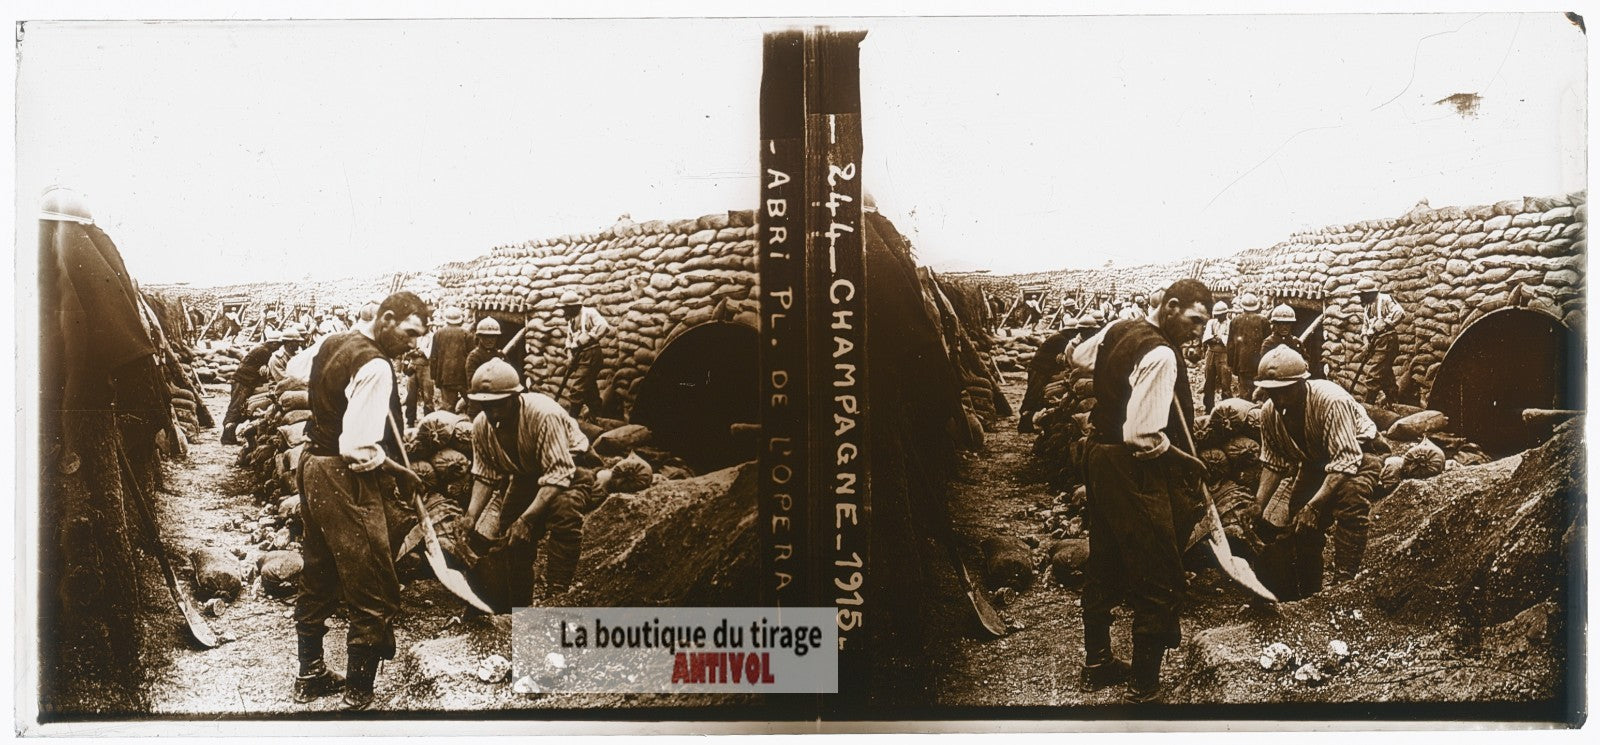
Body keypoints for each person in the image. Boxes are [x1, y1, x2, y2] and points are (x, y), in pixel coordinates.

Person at [1069, 278, 1212, 702]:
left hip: (1098, 456)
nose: (1198, 331)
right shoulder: (1162, 353)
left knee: (1106, 555)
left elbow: (1078, 357)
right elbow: (1143, 436)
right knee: (1160, 573)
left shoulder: (1122, 327)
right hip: (1131, 467)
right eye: (1194, 319)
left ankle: (1097, 664)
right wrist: (1185, 460)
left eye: (1204, 324)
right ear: (1170, 306)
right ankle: (1144, 689)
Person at [293, 291, 429, 711]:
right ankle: (358, 696)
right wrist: (400, 471)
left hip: (311, 465)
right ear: (387, 319)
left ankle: (310, 673)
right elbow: (357, 447)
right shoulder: (375, 365)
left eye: (419, 337)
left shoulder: (337, 341)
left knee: (318, 568)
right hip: (342, 476)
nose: (412, 345)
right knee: (372, 579)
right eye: (409, 333)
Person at [460, 359, 603, 606]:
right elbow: (485, 475)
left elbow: (559, 473)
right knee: (510, 530)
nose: (493, 413)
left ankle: (556, 596)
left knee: (564, 512)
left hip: (573, 466)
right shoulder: (481, 426)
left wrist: (528, 520)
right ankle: (516, 602)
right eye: (486, 406)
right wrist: (470, 517)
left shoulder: (543, 414)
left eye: (499, 405)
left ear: (516, 397)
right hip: (529, 474)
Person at [1251, 346, 1382, 599]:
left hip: (1361, 451)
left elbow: (1346, 458)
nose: (1278, 400)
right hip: (1317, 461)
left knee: (1351, 498)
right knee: (1299, 515)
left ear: (1302, 383)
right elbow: (1274, 462)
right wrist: (1257, 505)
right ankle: (1309, 592)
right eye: (1272, 392)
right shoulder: (1269, 413)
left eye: (1284, 392)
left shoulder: (1331, 400)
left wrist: (1316, 505)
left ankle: (1344, 584)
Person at [221, 330, 282, 444]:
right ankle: (227, 437)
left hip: (246, 381)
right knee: (235, 408)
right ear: (273, 343)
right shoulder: (264, 351)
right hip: (242, 382)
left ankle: (229, 436)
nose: (279, 347)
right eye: (278, 344)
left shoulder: (261, 348)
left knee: (240, 408)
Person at [559, 291, 613, 419]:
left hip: (591, 354)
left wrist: (590, 336)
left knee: (577, 389)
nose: (564, 312)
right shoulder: (571, 320)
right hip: (579, 356)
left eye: (566, 308)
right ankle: (598, 417)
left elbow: (604, 326)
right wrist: (569, 355)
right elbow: (569, 339)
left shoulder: (589, 313)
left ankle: (571, 420)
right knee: (589, 391)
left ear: (574, 307)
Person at [1019, 320, 1077, 433]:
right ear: (1070, 331)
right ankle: (1024, 423)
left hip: (1043, 369)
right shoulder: (1062, 340)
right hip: (1039, 370)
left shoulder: (1060, 337)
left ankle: (1027, 422)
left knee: (1037, 395)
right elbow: (1062, 359)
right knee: (1033, 396)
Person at [1356, 275, 1405, 405]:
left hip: (1387, 340)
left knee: (1374, 375)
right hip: (1375, 343)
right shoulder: (1367, 307)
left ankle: (1367, 405)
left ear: (1369, 293)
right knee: (1386, 375)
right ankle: (1393, 403)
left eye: (1361, 295)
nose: (1360, 298)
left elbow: (1400, 312)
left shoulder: (1385, 299)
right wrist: (1366, 342)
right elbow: (1365, 328)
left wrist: (1385, 323)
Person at [430, 307, 473, 413]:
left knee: (448, 408)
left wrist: (434, 376)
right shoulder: (467, 334)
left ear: (446, 319)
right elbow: (472, 357)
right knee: (473, 405)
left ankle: (449, 427)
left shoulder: (438, 334)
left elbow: (433, 357)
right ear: (460, 319)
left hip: (446, 376)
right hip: (464, 377)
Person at [1226, 292, 1269, 396]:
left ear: (1243, 306)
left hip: (1242, 363)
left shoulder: (1235, 321)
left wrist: (1230, 363)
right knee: (1258, 392)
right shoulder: (1263, 320)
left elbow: (1230, 345)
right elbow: (1268, 343)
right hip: (1259, 364)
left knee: (1244, 392)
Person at [1201, 300, 1233, 412]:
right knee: (1208, 381)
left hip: (1224, 355)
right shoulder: (1211, 322)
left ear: (1226, 314)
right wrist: (1216, 339)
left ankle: (1226, 409)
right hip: (1211, 353)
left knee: (1225, 383)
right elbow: (1207, 338)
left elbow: (1227, 340)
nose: (1218, 317)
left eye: (1221, 315)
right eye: (1217, 315)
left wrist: (1217, 339)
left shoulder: (1230, 324)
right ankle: (1208, 408)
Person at [466, 316, 505, 382]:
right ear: (479, 336)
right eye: (486, 336)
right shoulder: (474, 356)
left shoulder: (500, 355)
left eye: (493, 336)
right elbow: (471, 380)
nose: (490, 340)